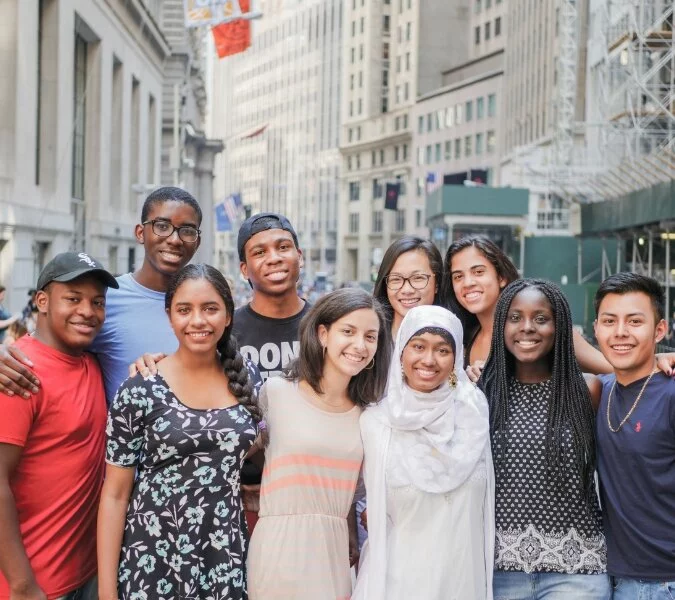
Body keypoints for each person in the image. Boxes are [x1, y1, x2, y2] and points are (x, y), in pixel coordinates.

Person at [98, 264, 262, 600]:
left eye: (210, 308)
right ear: (169, 316)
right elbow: (114, 495)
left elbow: (264, 441)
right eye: (184, 310)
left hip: (224, 553)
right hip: (151, 557)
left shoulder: (250, 378)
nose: (198, 321)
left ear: (228, 316)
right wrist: (106, 591)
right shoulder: (140, 387)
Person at [0, 187, 211, 402]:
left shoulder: (209, 306)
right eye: (162, 226)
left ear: (197, 241)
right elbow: (42, 347)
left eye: (187, 230)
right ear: (140, 233)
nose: (174, 239)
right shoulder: (102, 300)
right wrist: (3, 354)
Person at [246, 288, 391, 600]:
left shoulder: (370, 417)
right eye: (348, 332)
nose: (359, 345)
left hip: (334, 554)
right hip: (278, 551)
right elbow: (240, 453)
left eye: (370, 336)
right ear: (323, 334)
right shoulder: (276, 393)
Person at [479, 279, 610, 599]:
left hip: (577, 574)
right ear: (501, 326)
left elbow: (634, 378)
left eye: (541, 318)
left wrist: (661, 360)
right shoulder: (482, 394)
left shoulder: (588, 390)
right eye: (515, 318)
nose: (527, 328)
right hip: (499, 574)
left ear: (560, 327)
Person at [353, 305, 494, 600]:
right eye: (418, 346)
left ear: (456, 359)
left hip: (463, 584)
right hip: (398, 585)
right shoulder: (377, 422)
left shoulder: (475, 412)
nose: (428, 360)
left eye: (443, 350)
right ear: (401, 352)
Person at [0, 252, 118, 600]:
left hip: (85, 574)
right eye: (73, 298)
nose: (88, 310)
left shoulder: (92, 362)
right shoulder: (19, 373)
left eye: (97, 302)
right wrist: (23, 586)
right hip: (33, 586)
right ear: (42, 301)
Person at [444, 234, 675, 378]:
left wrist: (658, 361)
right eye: (458, 276)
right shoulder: (465, 337)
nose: (468, 283)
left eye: (478, 272)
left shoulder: (546, 328)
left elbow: (612, 365)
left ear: (501, 276)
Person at [593, 273, 675, 600]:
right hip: (608, 577)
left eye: (635, 321)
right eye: (609, 321)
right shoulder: (599, 390)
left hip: (663, 582)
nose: (621, 332)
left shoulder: (670, 394)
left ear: (660, 330)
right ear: (596, 327)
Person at [233, 212, 309, 381]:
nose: (273, 259)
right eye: (259, 252)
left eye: (283, 247)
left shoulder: (327, 324)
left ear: (300, 257)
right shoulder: (225, 332)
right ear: (244, 269)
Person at [373, 236, 444, 339]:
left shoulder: (454, 341)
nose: (407, 290)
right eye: (396, 279)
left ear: (437, 283)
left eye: (418, 278)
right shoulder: (370, 338)